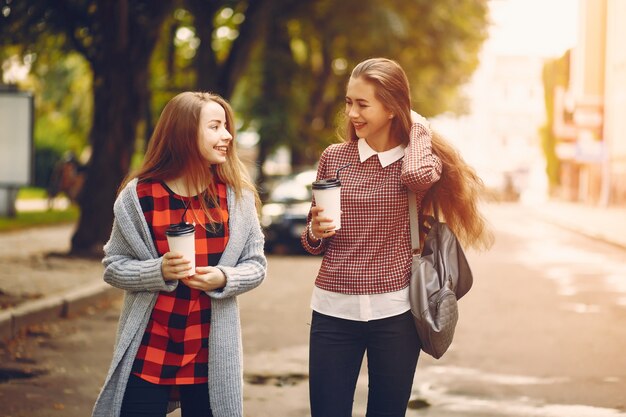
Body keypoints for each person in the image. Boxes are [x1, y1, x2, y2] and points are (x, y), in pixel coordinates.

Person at [301, 57, 492, 417]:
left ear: (391, 108)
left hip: (396, 313)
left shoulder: (416, 160)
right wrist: (314, 231)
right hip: (332, 309)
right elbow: (313, 241)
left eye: (362, 104)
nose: (352, 113)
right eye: (348, 102)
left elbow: (418, 178)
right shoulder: (334, 158)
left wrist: (418, 126)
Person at [92, 92, 267, 417]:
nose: (227, 135)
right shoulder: (139, 195)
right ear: (185, 134)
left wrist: (223, 277)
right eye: (215, 127)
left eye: (226, 126)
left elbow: (256, 265)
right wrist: (159, 271)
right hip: (151, 348)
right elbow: (113, 267)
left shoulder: (235, 196)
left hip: (210, 352)